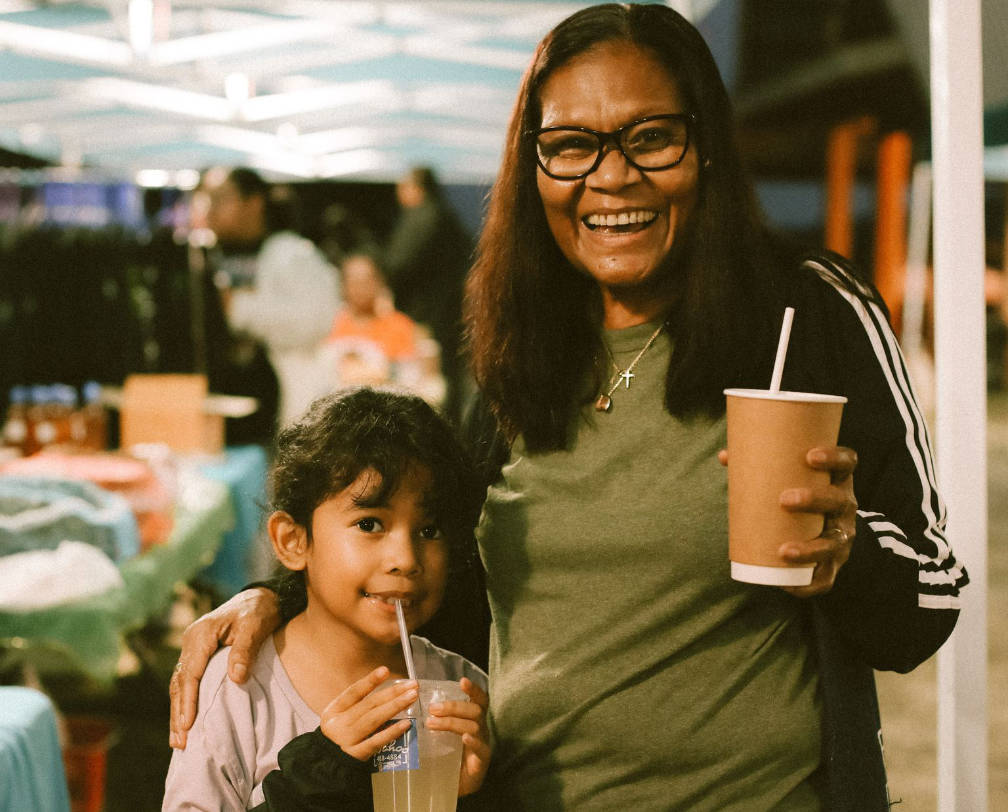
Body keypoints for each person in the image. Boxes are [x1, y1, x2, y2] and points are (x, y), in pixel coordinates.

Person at [169, 5, 968, 811]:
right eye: (571, 146)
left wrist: (846, 554)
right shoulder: (520, 348)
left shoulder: (805, 313)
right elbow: (433, 562)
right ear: (533, 167)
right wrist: (285, 596)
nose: (612, 176)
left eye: (652, 137)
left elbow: (933, 594)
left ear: (709, 148)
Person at [163, 388, 490, 810]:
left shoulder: (461, 692)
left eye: (429, 531)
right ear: (293, 541)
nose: (405, 559)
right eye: (370, 523)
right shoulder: (238, 690)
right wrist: (319, 776)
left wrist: (474, 795)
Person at [201, 167, 340, 430]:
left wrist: (236, 306)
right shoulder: (206, 257)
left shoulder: (289, 252)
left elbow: (317, 321)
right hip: (219, 409)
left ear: (254, 203)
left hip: (275, 411)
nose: (209, 210)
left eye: (220, 199)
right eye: (205, 200)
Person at [384, 166, 472, 421]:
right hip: (449, 310)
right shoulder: (447, 215)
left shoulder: (423, 216)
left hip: (429, 315)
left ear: (416, 188)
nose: (399, 194)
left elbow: (398, 262)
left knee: (428, 380)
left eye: (403, 187)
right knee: (447, 379)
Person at [324, 251, 447, 406]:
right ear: (343, 285)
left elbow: (419, 379)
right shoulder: (330, 325)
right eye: (353, 280)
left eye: (366, 280)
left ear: (380, 282)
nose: (360, 287)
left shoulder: (400, 325)